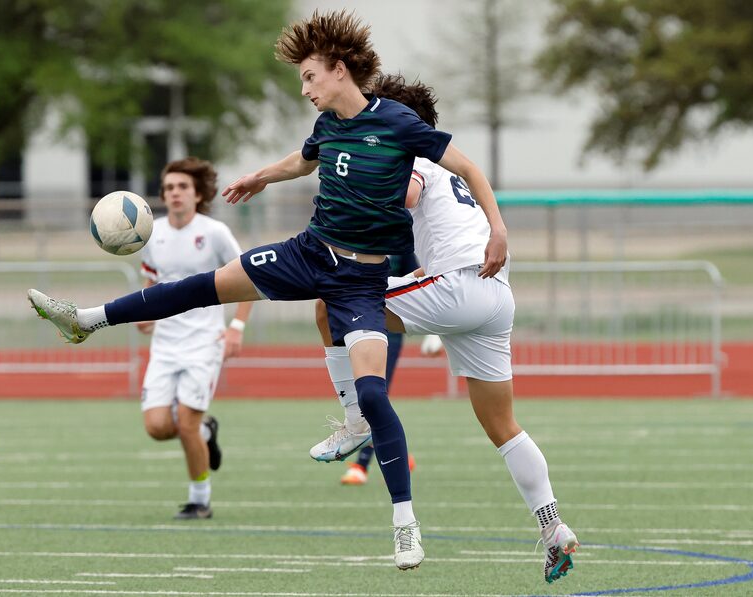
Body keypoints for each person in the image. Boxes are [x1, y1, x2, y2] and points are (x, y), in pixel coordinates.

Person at [27, 10, 507, 571]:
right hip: (307, 253)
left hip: (360, 282)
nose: (304, 88)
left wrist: (497, 228)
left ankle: (404, 521)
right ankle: (86, 320)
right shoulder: (327, 125)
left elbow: (470, 167)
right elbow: (301, 162)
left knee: (377, 394)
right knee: (199, 288)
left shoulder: (400, 123)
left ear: (339, 69)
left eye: (309, 76)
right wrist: (259, 176)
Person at [312, 74, 579, 584]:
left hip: (458, 287)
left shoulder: (408, 156)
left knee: (330, 301)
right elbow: (444, 233)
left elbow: (406, 198)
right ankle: (553, 527)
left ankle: (355, 422)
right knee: (503, 427)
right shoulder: (447, 165)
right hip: (494, 295)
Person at [135, 157, 252, 520]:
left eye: (182, 186)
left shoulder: (214, 232)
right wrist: (144, 314)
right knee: (156, 427)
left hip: (205, 342)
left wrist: (236, 328)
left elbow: (250, 280)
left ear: (197, 193)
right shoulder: (152, 233)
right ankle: (205, 430)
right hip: (165, 344)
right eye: (169, 187)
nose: (174, 193)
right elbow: (152, 285)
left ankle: (199, 498)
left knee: (185, 422)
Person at [314, 252, 420, 486]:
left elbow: (420, 277)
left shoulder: (400, 240)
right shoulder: (352, 235)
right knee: (362, 394)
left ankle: (361, 465)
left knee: (373, 395)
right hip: (355, 324)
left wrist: (434, 332)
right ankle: (402, 453)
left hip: (388, 330)